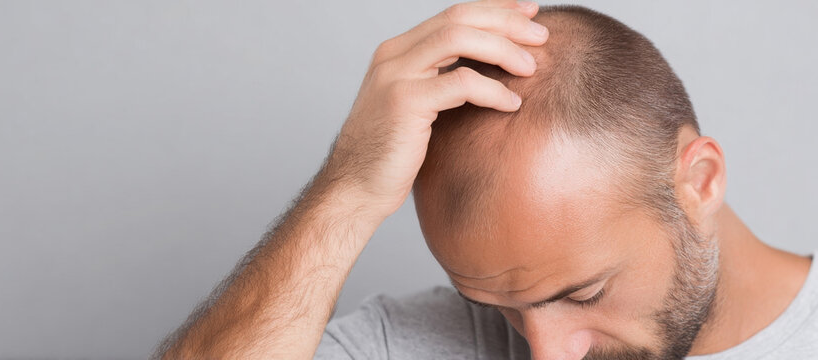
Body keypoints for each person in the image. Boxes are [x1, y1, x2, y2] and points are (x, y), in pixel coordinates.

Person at [153, 1, 817, 359]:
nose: (545, 355)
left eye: (583, 293)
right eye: (500, 307)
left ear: (698, 181)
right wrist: (348, 188)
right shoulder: (410, 344)